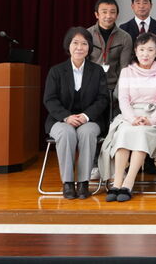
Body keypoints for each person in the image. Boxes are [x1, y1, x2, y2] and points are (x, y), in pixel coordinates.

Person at [98, 33, 156, 202]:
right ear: (136, 51)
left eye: (150, 50)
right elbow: (123, 100)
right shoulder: (127, 72)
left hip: (153, 117)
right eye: (142, 49)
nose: (146, 54)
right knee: (124, 132)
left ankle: (128, 183)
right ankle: (117, 183)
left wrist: (151, 120)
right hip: (129, 115)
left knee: (141, 133)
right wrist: (132, 119)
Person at [43, 27, 109, 199]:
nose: (80, 47)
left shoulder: (97, 71)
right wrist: (66, 117)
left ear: (89, 47)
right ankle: (67, 183)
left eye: (84, 44)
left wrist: (86, 116)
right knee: (66, 133)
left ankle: (83, 183)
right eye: (75, 43)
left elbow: (103, 99)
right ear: (68, 45)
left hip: (90, 119)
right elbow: (50, 99)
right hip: (60, 119)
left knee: (87, 133)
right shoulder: (56, 71)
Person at [87, 0, 133, 92]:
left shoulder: (125, 37)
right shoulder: (87, 35)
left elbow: (124, 68)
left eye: (112, 12)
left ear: (117, 15)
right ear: (97, 14)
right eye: (104, 12)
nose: (108, 16)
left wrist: (118, 92)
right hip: (90, 86)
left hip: (113, 87)